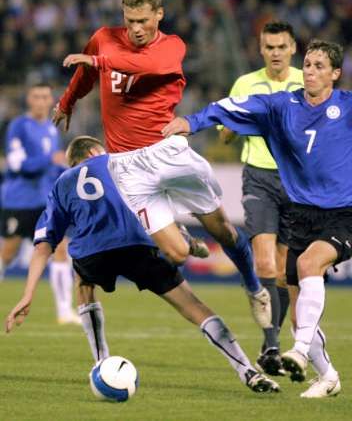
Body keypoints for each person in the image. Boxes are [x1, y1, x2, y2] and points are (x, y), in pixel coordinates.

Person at [52, 0, 271, 328]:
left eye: (144, 21)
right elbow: (85, 73)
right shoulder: (104, 39)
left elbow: (145, 67)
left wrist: (99, 61)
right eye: (130, 20)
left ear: (159, 14)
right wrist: (68, 101)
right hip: (127, 164)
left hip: (168, 153)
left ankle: (253, 286)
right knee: (177, 255)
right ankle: (184, 239)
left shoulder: (172, 46)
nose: (136, 28)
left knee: (224, 231)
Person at [5, 136, 280, 395]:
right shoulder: (123, 163)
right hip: (137, 245)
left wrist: (27, 295)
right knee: (193, 306)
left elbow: (43, 246)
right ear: (95, 152)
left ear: (75, 161)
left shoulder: (61, 183)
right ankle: (246, 370)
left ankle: (101, 362)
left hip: (93, 253)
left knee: (84, 281)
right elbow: (154, 205)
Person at [162, 39, 348, 399]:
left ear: (335, 74)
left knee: (311, 264)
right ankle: (327, 376)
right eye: (307, 64)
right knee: (297, 313)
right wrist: (191, 121)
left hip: (344, 213)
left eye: (319, 66)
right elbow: (228, 107)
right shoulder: (281, 106)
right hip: (300, 215)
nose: (310, 71)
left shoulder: (348, 106)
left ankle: (296, 350)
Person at [218, 22, 303, 376]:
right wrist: (235, 123)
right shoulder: (245, 84)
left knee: (284, 272)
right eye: (269, 47)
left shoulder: (307, 80)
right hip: (259, 178)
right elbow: (224, 135)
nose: (276, 53)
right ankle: (271, 345)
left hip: (298, 182)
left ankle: (274, 344)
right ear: (261, 49)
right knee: (265, 265)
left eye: (281, 46)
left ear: (293, 47)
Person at [0, 83, 79, 325]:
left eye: (45, 96)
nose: (41, 101)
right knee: (8, 253)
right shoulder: (18, 126)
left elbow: (50, 165)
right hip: (19, 200)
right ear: (29, 100)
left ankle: (65, 311)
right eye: (36, 96)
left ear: (50, 100)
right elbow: (16, 164)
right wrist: (50, 158)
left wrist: (65, 167)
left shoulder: (51, 128)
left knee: (61, 248)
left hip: (45, 200)